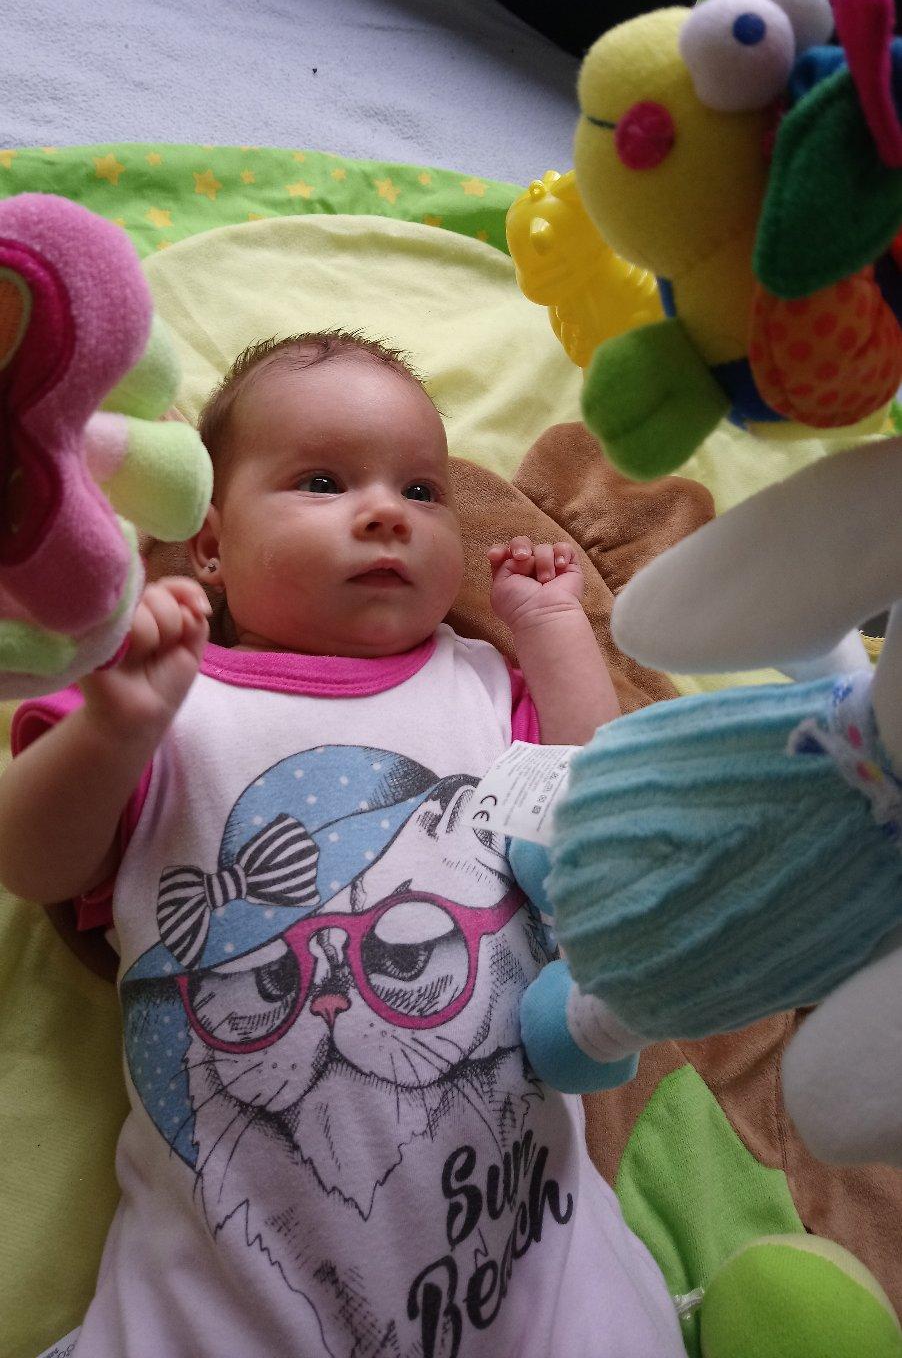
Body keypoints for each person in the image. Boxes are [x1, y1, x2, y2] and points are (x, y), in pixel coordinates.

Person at [0, 331, 684, 1358]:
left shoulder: (479, 684)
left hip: (534, 1269)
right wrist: (112, 728)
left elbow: (598, 817)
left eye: (421, 490)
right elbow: (34, 864)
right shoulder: (165, 694)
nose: (385, 512)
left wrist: (554, 634)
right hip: (218, 1304)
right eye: (322, 482)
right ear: (210, 546)